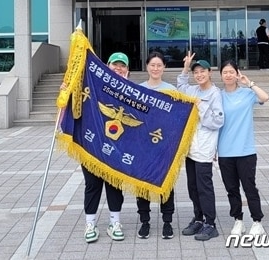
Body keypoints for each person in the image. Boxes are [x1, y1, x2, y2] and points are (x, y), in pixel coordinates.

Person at [62, 52, 129, 243]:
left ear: (127, 70)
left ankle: (114, 222)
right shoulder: (92, 87)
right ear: (106, 67)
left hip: (117, 148)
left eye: (122, 65)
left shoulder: (132, 92)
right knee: (92, 185)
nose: (118, 68)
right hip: (92, 146)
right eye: (114, 65)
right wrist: (66, 92)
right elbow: (77, 102)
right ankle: (90, 223)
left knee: (114, 185)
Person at [217, 60, 269, 237]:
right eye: (225, 72)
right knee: (231, 189)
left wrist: (250, 83)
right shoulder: (218, 96)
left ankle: (257, 221)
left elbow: (265, 98)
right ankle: (238, 221)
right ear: (221, 76)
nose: (228, 75)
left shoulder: (247, 94)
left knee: (249, 187)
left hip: (246, 151)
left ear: (237, 73)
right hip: (225, 152)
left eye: (231, 71)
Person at [177, 51, 224, 241]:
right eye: (196, 72)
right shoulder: (194, 90)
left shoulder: (215, 94)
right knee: (192, 187)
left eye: (202, 71)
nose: (199, 75)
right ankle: (198, 218)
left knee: (204, 187)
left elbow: (217, 122)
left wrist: (200, 107)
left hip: (204, 149)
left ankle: (210, 223)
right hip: (190, 149)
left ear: (209, 72)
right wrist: (186, 67)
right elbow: (180, 86)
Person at [136, 51, 176, 240]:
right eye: (152, 65)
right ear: (147, 67)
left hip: (164, 146)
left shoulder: (171, 90)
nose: (156, 68)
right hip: (143, 146)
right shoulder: (138, 89)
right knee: (142, 184)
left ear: (164, 68)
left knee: (166, 183)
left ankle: (167, 222)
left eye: (159, 65)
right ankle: (145, 221)